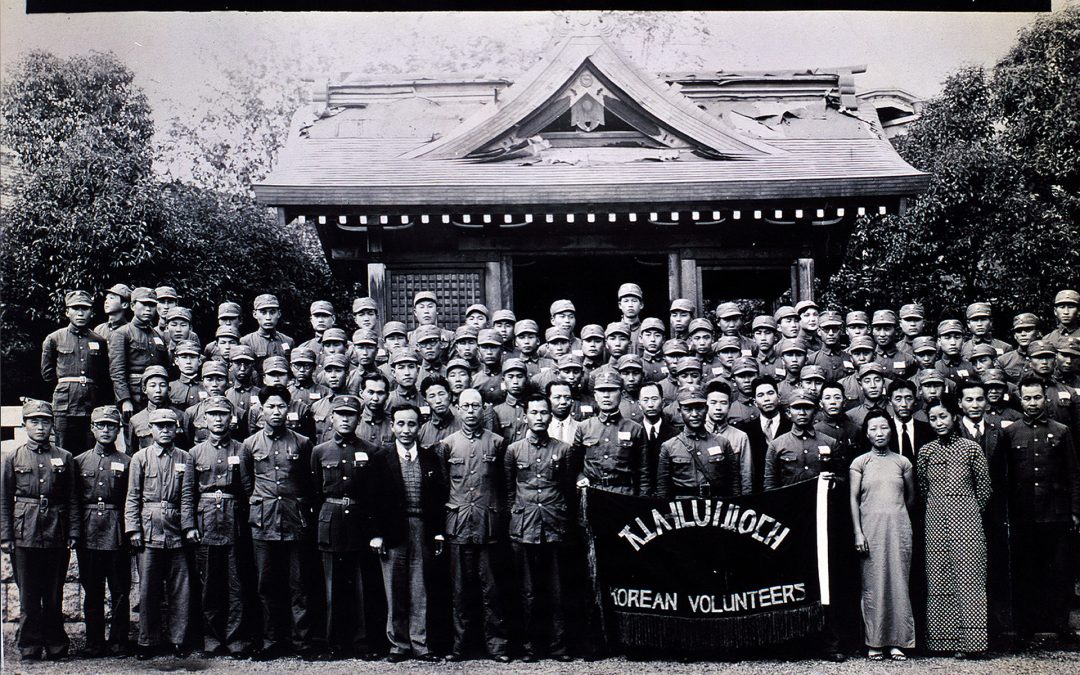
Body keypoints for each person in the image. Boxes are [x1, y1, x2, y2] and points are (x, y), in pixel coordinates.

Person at [995, 377, 1080, 644]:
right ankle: (1025, 627)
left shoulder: (1062, 431)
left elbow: (1074, 474)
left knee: (1058, 571)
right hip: (1023, 514)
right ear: (1020, 399)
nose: (1033, 403)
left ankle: (1059, 625)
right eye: (1028, 398)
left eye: (1037, 397)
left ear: (1045, 398)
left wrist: (1075, 511)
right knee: (1024, 570)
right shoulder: (1010, 432)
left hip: (1055, 513)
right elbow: (1002, 477)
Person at [436, 388, 511, 663]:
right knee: (459, 589)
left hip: (488, 525)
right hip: (458, 525)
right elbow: (445, 486)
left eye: (475, 406)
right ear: (457, 407)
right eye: (465, 406)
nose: (470, 411)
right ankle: (460, 647)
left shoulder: (498, 443)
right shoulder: (447, 444)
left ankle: (497, 646)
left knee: (492, 589)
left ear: (483, 409)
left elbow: (504, 486)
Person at [1, 399, 79, 661]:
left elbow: (72, 499)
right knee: (29, 593)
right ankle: (30, 646)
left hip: (56, 531)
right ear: (25, 425)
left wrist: (73, 533)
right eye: (34, 421)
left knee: (54, 591)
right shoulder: (13, 457)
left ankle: (56, 644)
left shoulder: (64, 457)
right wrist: (6, 535)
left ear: (52, 425)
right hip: (25, 531)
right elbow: (3, 499)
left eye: (45, 421)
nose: (40, 427)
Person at [369, 403, 447, 663]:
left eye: (411, 424)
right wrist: (377, 534)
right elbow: (374, 500)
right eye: (400, 424)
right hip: (393, 530)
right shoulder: (381, 458)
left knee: (419, 588)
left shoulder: (430, 458)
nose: (406, 429)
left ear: (420, 426)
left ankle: (420, 643)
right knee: (394, 587)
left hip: (421, 528)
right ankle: (398, 644)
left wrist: (437, 532)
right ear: (392, 426)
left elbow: (438, 499)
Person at [244, 384, 317, 660]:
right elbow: (247, 485)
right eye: (270, 407)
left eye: (281, 406)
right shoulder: (250, 445)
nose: (276, 411)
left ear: (289, 409)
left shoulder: (302, 442)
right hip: (263, 524)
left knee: (300, 586)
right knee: (266, 586)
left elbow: (309, 484)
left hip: (295, 521)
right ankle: (271, 641)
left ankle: (302, 642)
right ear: (261, 410)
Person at [916, 394, 992, 658]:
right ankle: (943, 642)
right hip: (936, 522)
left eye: (943, 416)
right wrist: (941, 508)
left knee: (970, 580)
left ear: (954, 416)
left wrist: (965, 510)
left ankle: (972, 643)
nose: (938, 422)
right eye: (933, 418)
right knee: (940, 579)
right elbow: (923, 489)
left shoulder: (972, 449)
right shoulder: (925, 452)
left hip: (968, 521)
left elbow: (984, 489)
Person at [504, 395, 576, 662]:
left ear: (550, 416)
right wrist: (517, 517)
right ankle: (530, 646)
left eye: (544, 412)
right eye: (533, 412)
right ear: (525, 417)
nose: (539, 417)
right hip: (524, 528)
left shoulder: (564, 449)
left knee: (557, 590)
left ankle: (558, 646)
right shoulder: (513, 450)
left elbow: (567, 489)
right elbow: (510, 491)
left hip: (554, 526)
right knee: (528, 592)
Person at [310, 394, 381, 661]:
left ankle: (363, 643)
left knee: (363, 586)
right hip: (330, 521)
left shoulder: (371, 450)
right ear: (331, 418)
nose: (345, 418)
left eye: (350, 414)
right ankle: (332, 642)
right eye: (340, 414)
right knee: (331, 587)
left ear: (358, 418)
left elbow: (374, 494)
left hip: (360, 523)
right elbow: (315, 491)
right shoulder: (319, 451)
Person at [125, 407, 197, 659]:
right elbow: (133, 496)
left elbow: (187, 497)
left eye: (169, 425)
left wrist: (188, 527)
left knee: (181, 588)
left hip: (176, 529)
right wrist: (133, 528)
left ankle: (178, 639)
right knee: (148, 589)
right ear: (151, 430)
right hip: (148, 529)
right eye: (159, 426)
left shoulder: (185, 458)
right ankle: (147, 641)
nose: (165, 430)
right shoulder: (140, 457)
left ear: (176, 429)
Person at [849, 409, 916, 662]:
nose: (879, 433)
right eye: (874, 428)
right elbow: (854, 500)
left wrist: (899, 519)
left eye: (884, 427)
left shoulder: (903, 462)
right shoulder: (860, 463)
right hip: (870, 531)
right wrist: (858, 532)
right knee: (873, 586)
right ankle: (875, 641)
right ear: (867, 433)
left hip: (899, 529)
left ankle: (898, 642)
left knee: (899, 584)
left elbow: (910, 499)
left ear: (891, 430)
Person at [189, 395, 254, 658]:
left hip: (234, 521)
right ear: (204, 420)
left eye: (223, 414)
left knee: (236, 582)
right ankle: (210, 638)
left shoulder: (242, 450)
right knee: (209, 583)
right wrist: (190, 525)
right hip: (206, 522)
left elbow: (249, 489)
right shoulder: (194, 453)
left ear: (232, 418)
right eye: (213, 414)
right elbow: (188, 493)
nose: (218, 419)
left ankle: (236, 638)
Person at [73, 405, 132, 658]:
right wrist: (75, 533)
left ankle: (118, 641)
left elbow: (132, 500)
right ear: (93, 428)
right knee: (92, 590)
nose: (106, 430)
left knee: (120, 590)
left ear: (118, 430)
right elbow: (73, 501)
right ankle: (94, 642)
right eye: (101, 425)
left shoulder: (128, 462)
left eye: (111, 425)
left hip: (117, 529)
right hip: (89, 532)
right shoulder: (79, 461)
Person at [41, 290, 110, 454]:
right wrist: (68, 386)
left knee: (90, 449)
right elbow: (47, 373)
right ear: (67, 312)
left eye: (85, 309)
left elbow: (102, 374)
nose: (80, 313)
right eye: (75, 308)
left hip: (90, 404)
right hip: (64, 404)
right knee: (62, 449)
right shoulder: (54, 338)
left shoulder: (98, 340)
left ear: (91, 313)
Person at [656, 386, 739, 499]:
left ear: (706, 408)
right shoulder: (669, 446)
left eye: (699, 408)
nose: (694, 414)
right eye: (688, 409)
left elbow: (734, 483)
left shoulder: (722, 443)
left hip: (717, 507)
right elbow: (663, 489)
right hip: (683, 509)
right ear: (680, 412)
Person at [108, 287, 170, 417]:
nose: (148, 309)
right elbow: (117, 371)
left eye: (152, 305)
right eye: (144, 304)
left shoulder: (157, 335)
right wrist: (125, 400)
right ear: (132, 306)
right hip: (134, 396)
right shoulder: (122, 333)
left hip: (156, 396)